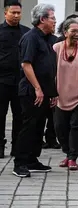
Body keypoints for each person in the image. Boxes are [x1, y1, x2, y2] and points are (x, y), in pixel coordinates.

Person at [13, 3, 58, 178]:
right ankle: (20, 163)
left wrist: (52, 93)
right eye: (52, 18)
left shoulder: (47, 39)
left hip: (45, 92)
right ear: (42, 19)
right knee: (28, 126)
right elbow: (26, 64)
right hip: (31, 92)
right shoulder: (30, 38)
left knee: (39, 127)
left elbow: (49, 68)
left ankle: (32, 160)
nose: (55, 21)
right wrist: (38, 88)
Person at [54, 18, 78, 170]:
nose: (77, 34)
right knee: (60, 128)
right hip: (59, 96)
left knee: (76, 127)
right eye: (73, 31)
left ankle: (72, 157)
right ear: (65, 32)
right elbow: (50, 71)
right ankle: (67, 152)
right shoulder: (56, 48)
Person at [0, 1, 29, 158]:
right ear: (6, 13)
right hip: (1, 81)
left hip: (20, 82)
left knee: (20, 116)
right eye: (13, 13)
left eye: (19, 13)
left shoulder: (26, 32)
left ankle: (17, 147)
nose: (17, 15)